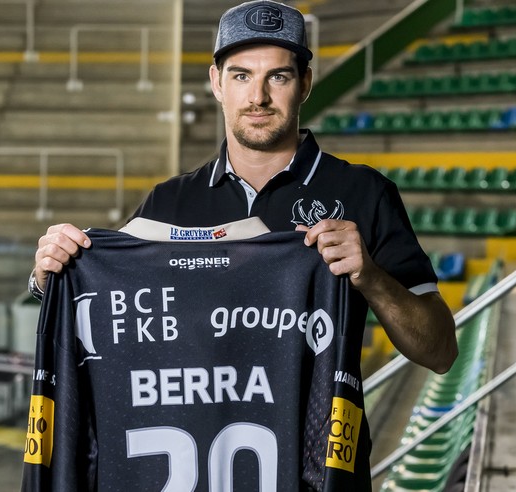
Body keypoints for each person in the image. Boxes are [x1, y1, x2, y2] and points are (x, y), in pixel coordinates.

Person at [28, 0, 457, 488]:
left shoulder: (364, 194)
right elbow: (105, 305)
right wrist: (51, 274)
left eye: (278, 77)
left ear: (305, 83)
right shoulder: (169, 202)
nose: (258, 96)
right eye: (240, 76)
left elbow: (440, 351)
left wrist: (372, 280)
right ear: (216, 83)